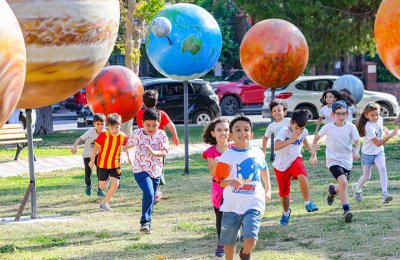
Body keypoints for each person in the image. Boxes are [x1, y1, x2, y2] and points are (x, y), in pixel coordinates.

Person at [214, 115, 271, 260]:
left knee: (251, 238)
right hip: (231, 206)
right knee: (229, 241)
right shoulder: (227, 155)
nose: (242, 132)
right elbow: (219, 181)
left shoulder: (258, 153)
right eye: (238, 130)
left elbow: (264, 169)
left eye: (246, 129)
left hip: (253, 203)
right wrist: (230, 181)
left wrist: (268, 188)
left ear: (251, 134)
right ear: (231, 135)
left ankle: (245, 253)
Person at [311, 100, 360, 223]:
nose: (341, 116)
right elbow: (316, 139)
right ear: (332, 115)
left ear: (347, 114)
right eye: (338, 114)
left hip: (347, 160)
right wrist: (314, 154)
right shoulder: (328, 127)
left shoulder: (350, 126)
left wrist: (356, 151)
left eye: (343, 114)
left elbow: (357, 142)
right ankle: (346, 210)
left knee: (343, 185)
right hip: (333, 160)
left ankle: (332, 191)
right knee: (343, 182)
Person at [124, 108, 169, 234]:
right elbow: (129, 144)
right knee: (149, 194)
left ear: (158, 124)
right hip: (140, 170)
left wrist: (154, 152)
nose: (151, 128)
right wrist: (120, 147)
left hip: (155, 171)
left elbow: (165, 152)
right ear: (142, 123)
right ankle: (145, 221)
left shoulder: (161, 135)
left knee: (152, 197)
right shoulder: (137, 133)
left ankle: (148, 224)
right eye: (148, 125)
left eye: (154, 125)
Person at [273, 110, 319, 226]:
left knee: (302, 174)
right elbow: (276, 146)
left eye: (302, 129)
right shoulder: (284, 131)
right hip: (281, 165)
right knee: (284, 194)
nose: (299, 131)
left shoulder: (304, 131)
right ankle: (286, 212)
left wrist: (309, 149)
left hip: (295, 159)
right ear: (291, 123)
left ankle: (308, 202)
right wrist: (291, 140)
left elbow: (303, 138)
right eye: (297, 128)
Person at [135, 89, 179, 203]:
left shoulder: (140, 114)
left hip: (144, 147)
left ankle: (151, 191)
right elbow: (171, 125)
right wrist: (174, 135)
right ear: (156, 101)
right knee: (158, 168)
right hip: (158, 146)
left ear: (143, 102)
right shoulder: (161, 114)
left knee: (144, 168)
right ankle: (155, 192)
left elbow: (139, 130)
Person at [352, 103, 398, 204]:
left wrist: (385, 131)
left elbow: (381, 127)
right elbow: (378, 143)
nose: (375, 117)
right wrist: (390, 136)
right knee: (366, 177)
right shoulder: (368, 127)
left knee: (382, 169)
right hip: (367, 153)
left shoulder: (380, 119)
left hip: (379, 152)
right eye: (372, 115)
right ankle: (357, 188)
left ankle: (385, 194)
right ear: (366, 115)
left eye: (377, 114)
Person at [202, 118, 234, 257]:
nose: (223, 132)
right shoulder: (211, 152)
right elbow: (213, 172)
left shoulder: (235, 148)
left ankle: (241, 235)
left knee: (237, 212)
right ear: (213, 133)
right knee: (220, 215)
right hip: (219, 188)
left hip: (235, 186)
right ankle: (221, 242)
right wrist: (220, 162)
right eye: (219, 130)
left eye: (226, 130)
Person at [89, 113, 128, 211]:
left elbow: (127, 149)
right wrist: (92, 160)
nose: (114, 130)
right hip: (103, 164)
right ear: (108, 126)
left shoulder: (123, 136)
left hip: (115, 164)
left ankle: (104, 203)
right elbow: (95, 148)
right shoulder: (103, 135)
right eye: (112, 127)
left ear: (120, 125)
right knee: (102, 187)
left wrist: (130, 159)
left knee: (116, 184)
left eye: (117, 127)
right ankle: (106, 180)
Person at [71, 113, 106, 196]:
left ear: (105, 123)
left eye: (102, 124)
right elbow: (79, 139)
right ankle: (88, 185)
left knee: (101, 172)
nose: (100, 126)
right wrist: (75, 146)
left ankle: (100, 190)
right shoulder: (90, 132)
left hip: (98, 155)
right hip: (88, 155)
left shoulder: (106, 133)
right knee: (88, 174)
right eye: (98, 124)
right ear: (94, 124)